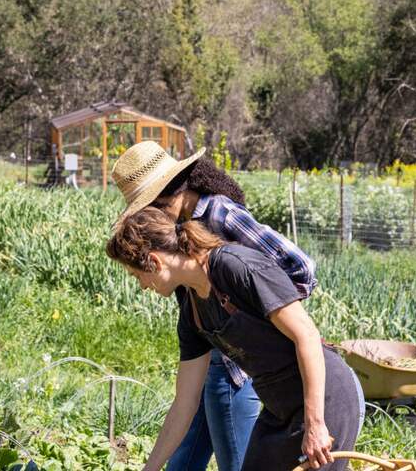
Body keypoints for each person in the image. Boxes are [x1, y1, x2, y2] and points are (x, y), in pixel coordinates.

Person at [110, 142, 322, 471]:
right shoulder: (174, 233)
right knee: (183, 457)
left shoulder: (222, 216)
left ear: (167, 196)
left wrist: (266, 315)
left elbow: (301, 268)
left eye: (151, 207)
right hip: (209, 353)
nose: (150, 218)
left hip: (239, 367)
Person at [106, 207, 364, 471]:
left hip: (324, 398)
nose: (142, 286)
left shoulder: (235, 266)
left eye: (138, 276)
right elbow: (184, 403)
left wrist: (315, 423)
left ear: (155, 261)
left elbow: (306, 335)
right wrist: (150, 468)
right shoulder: (192, 313)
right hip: (279, 408)